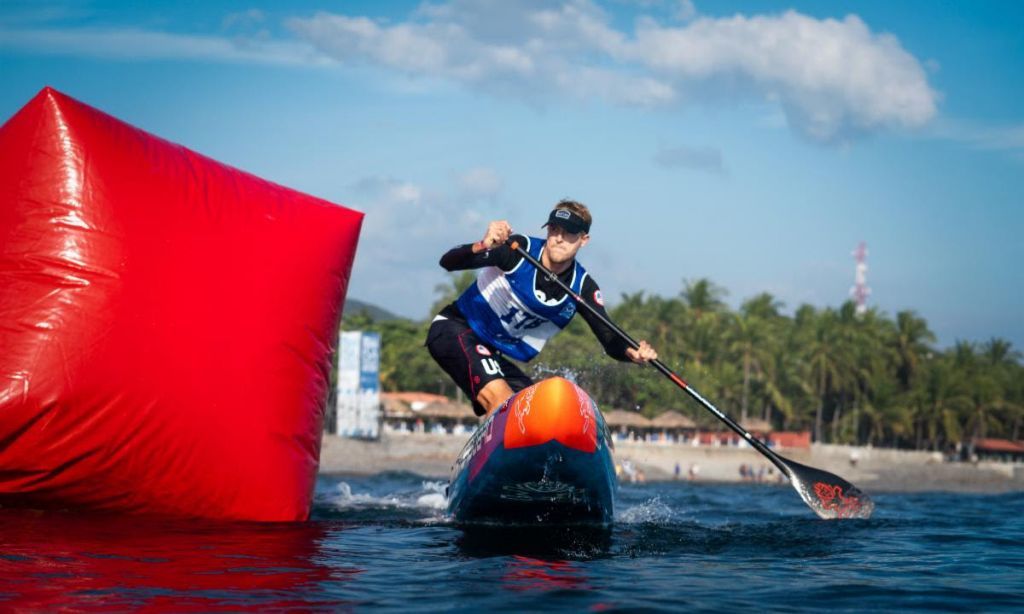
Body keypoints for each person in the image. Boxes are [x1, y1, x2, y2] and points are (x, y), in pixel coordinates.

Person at [426, 199, 658, 416]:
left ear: (584, 240)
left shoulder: (582, 287)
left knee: (535, 412)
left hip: (492, 353)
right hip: (454, 328)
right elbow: (448, 262)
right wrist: (483, 244)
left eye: (569, 233)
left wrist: (632, 352)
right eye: (554, 229)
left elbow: (609, 337)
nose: (558, 238)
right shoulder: (518, 250)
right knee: (506, 405)